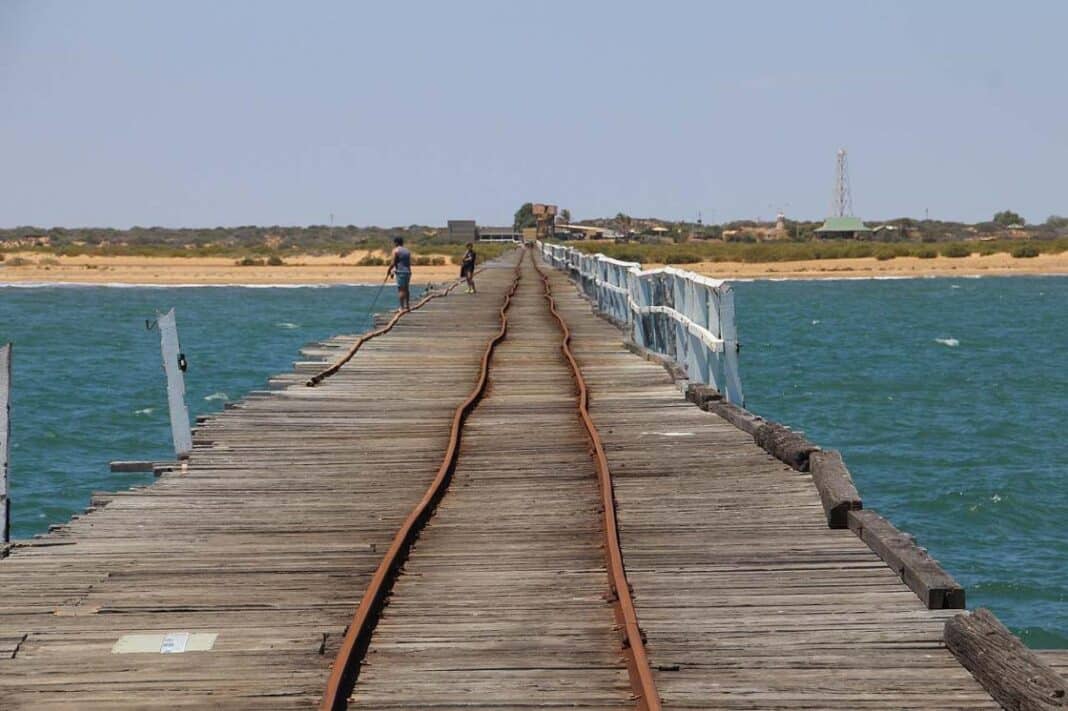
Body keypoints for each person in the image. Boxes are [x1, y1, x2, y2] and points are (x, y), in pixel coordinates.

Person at [386, 236, 412, 311]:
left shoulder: (395, 250)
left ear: (396, 242)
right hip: (408, 272)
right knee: (406, 289)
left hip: (400, 272)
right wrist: (393, 272)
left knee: (401, 290)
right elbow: (402, 262)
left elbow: (393, 262)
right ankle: (407, 306)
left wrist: (389, 270)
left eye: (394, 242)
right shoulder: (407, 251)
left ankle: (401, 307)